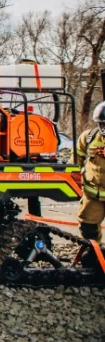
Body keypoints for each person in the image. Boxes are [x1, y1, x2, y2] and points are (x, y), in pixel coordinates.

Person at [75, 102, 105, 244]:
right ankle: (95, 258)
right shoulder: (88, 137)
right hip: (92, 196)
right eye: (102, 124)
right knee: (88, 229)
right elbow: (75, 160)